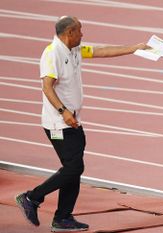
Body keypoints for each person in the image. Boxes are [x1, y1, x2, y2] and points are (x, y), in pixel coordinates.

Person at [15, 16, 150, 232]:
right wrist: (64, 112)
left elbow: (101, 51)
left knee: (73, 168)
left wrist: (135, 48)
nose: (82, 34)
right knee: (74, 167)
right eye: (79, 31)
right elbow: (47, 87)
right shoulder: (53, 54)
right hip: (58, 123)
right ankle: (31, 198)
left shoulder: (74, 49)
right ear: (69, 33)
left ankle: (63, 218)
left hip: (74, 122)